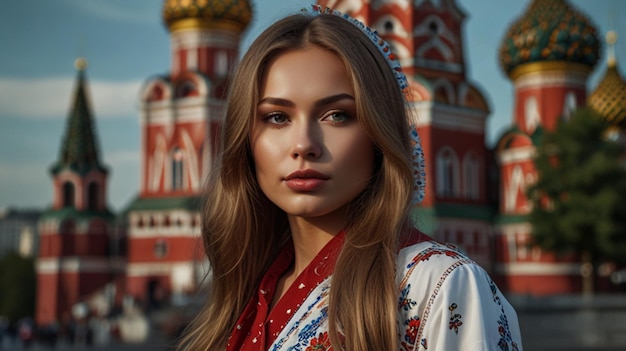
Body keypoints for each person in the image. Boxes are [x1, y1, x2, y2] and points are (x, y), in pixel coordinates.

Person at [177, 5, 522, 351]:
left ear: (379, 132)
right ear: (246, 140)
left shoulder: (438, 285)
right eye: (277, 117)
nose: (303, 145)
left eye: (337, 115)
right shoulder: (246, 296)